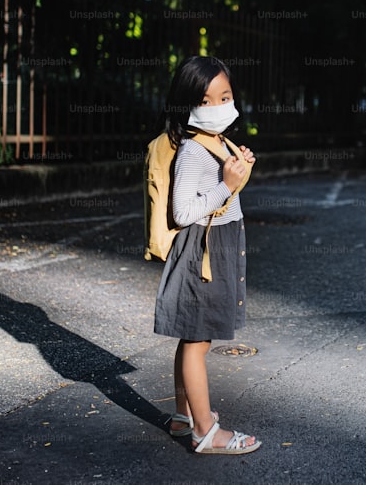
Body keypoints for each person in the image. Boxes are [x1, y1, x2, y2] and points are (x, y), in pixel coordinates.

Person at [153, 56, 262, 454]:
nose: (219, 107)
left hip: (219, 243)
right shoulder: (194, 151)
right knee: (198, 340)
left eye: (225, 96)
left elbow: (224, 193)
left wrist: (238, 170)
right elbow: (182, 212)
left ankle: (184, 417)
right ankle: (205, 431)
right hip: (203, 251)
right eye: (207, 99)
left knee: (192, 337)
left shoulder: (219, 143)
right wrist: (226, 185)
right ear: (187, 105)